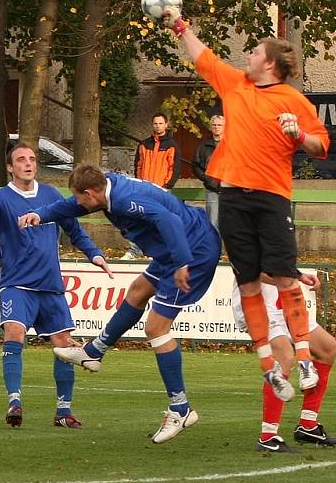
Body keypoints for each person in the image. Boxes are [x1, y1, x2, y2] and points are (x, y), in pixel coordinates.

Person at [163, 8, 330, 401]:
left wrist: (299, 133)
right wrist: (180, 26)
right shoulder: (236, 85)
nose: (248, 56)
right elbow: (204, 58)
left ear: (269, 63)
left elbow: (322, 144)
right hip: (233, 197)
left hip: (272, 198)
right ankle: (269, 367)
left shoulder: (292, 98)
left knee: (286, 278)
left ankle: (304, 358)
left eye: (254, 52)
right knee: (248, 283)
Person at [18, 164, 222, 443]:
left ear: (91, 193)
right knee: (137, 292)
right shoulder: (107, 188)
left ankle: (181, 408)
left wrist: (182, 261)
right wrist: (39, 215)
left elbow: (169, 221)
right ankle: (94, 352)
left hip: (193, 251)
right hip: (179, 246)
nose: (78, 203)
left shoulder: (125, 200)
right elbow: (71, 206)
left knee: (156, 328)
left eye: (80, 197)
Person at [0, 143, 113, 429]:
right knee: (15, 332)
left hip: (50, 285)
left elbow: (75, 231)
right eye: (21, 160)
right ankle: (14, 401)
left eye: (32, 159)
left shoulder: (51, 195)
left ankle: (63, 412)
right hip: (17, 283)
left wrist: (95, 254)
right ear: (10, 167)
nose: (28, 164)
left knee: (64, 345)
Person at [231, 273, 336, 452]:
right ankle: (268, 436)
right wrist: (289, 280)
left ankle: (308, 425)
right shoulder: (248, 244)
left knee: (327, 349)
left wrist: (299, 276)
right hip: (257, 303)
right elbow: (250, 268)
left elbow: (280, 260)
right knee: (285, 356)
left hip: (283, 303)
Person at [123, 112, 182, 259]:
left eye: (161, 123)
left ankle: (154, 251)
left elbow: (174, 168)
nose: (158, 126)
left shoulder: (172, 146)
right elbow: (138, 165)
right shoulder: (144, 144)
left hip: (161, 190)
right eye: (155, 123)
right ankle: (135, 250)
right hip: (143, 189)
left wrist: (167, 186)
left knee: (158, 221)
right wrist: (139, 184)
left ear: (166, 125)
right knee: (138, 219)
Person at [192, 115, 224, 229]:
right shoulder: (203, 146)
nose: (216, 127)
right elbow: (195, 165)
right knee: (212, 223)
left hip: (230, 190)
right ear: (211, 127)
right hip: (212, 190)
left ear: (225, 127)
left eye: (219, 125)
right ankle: (214, 247)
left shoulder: (231, 145)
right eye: (214, 125)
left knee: (230, 225)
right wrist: (207, 179)